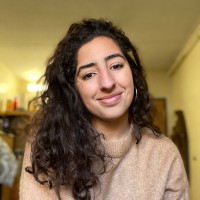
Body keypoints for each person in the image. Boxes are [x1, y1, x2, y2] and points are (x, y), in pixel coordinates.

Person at [19, 18, 189, 200]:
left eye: (116, 66)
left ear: (132, 72)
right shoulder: (46, 148)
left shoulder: (164, 154)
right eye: (89, 74)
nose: (107, 83)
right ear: (73, 89)